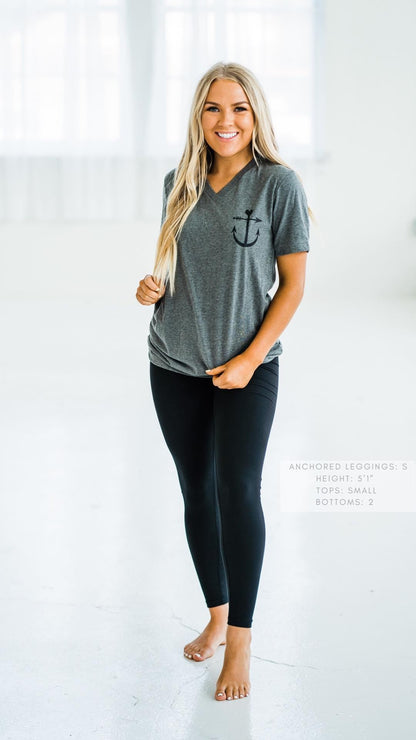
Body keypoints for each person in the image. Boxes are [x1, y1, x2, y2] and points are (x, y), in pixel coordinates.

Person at [135, 61, 312, 702]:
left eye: (238, 107)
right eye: (213, 108)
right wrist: (152, 286)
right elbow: (175, 268)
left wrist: (248, 360)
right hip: (173, 362)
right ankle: (215, 613)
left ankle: (239, 639)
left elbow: (292, 286)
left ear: (255, 114)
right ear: (198, 116)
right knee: (197, 489)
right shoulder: (177, 182)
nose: (226, 120)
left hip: (247, 367)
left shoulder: (278, 185)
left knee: (238, 490)